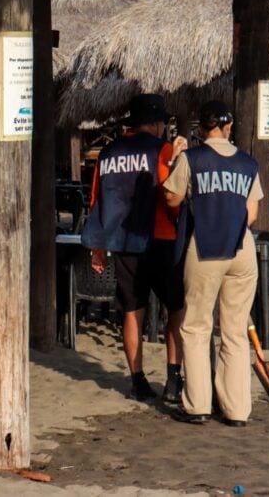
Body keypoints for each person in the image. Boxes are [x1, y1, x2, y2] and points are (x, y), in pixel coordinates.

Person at [82, 94, 188, 402]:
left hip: (123, 242)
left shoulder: (108, 153)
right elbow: (172, 197)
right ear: (155, 124)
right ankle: (172, 380)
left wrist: (98, 247)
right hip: (161, 239)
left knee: (132, 312)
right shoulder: (162, 150)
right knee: (176, 310)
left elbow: (96, 200)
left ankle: (137, 380)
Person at [162, 101, 262, 427]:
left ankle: (198, 405)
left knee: (196, 327)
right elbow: (253, 214)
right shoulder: (248, 163)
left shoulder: (192, 158)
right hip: (241, 247)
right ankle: (236, 410)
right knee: (234, 332)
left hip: (205, 245)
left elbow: (171, 198)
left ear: (201, 129)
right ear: (229, 127)